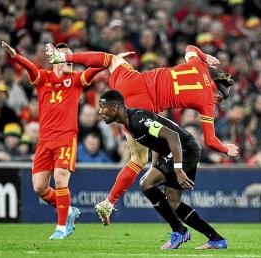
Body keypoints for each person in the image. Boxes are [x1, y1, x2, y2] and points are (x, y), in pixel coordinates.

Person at [45, 44, 239, 224]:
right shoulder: (209, 102)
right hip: (142, 108)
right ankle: (109, 203)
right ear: (218, 95)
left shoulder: (198, 64)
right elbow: (210, 140)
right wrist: (225, 148)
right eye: (220, 100)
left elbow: (190, 48)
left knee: (111, 60)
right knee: (137, 159)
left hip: (134, 82)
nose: (218, 103)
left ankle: (62, 55)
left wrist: (206, 57)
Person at [98, 90, 228, 250]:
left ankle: (179, 231)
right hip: (180, 151)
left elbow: (172, 136)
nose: (100, 111)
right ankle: (216, 239)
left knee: (146, 183)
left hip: (184, 150)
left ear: (115, 107)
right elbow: (156, 141)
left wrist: (178, 169)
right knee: (173, 203)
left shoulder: (138, 120)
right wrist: (155, 165)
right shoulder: (130, 124)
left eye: (102, 107)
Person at [1, 41, 104, 240]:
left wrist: (110, 60)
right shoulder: (43, 78)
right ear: (56, 61)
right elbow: (30, 68)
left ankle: (61, 227)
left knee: (60, 178)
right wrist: (16, 56)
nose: (70, 61)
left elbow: (94, 69)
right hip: (45, 140)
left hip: (66, 137)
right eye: (66, 58)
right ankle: (69, 210)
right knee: (39, 187)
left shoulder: (76, 80)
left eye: (71, 59)